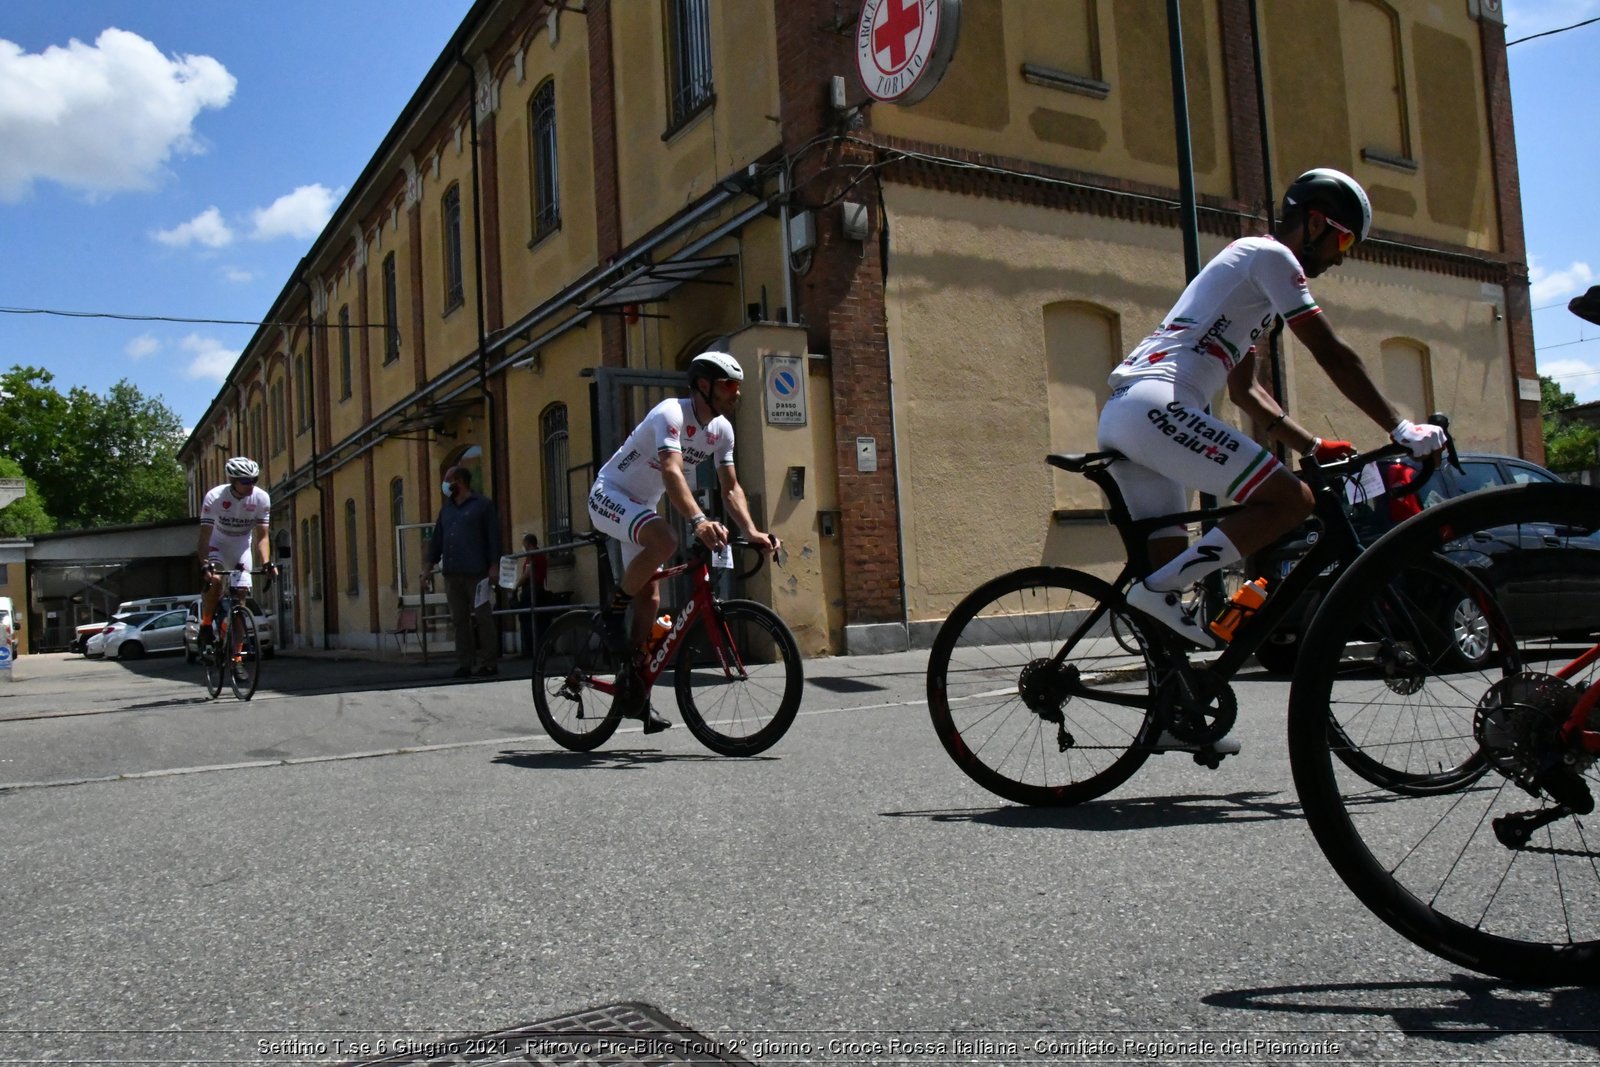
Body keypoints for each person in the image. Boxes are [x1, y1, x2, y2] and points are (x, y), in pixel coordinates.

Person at [1098, 167, 1446, 662]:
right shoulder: (1269, 255)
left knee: (1168, 593)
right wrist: (1400, 427)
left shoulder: (1250, 296)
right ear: (1316, 222)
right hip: (1157, 405)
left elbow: (1246, 392)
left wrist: (1310, 445)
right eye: (1344, 243)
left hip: (1130, 414)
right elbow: (1331, 352)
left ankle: (1179, 714)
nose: (1339, 260)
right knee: (1290, 501)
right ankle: (1155, 590)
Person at [587, 348, 781, 733]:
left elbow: (731, 488)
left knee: (652, 598)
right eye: (729, 385)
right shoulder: (670, 414)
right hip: (609, 494)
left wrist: (751, 531)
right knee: (665, 538)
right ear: (704, 385)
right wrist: (697, 520)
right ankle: (610, 613)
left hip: (640, 504)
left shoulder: (721, 430)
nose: (736, 394)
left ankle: (633, 688)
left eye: (738, 386)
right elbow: (673, 472)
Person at [424, 465, 503, 679]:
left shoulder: (482, 505)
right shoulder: (447, 509)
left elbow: (493, 537)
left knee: (483, 617)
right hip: (452, 573)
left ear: (458, 481)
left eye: (448, 480)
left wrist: (494, 565)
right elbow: (437, 539)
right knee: (459, 620)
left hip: (477, 573)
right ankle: (465, 663)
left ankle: (489, 662)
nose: (445, 485)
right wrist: (428, 567)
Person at [196, 457, 277, 662]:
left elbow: (263, 537)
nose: (251, 485)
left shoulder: (261, 498)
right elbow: (204, 536)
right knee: (215, 581)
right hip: (218, 543)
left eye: (254, 480)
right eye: (245, 481)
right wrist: (205, 564)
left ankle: (236, 657)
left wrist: (267, 562)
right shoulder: (214, 496)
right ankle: (206, 624)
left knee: (240, 601)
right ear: (233, 481)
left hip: (241, 545)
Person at [515, 531, 549, 655]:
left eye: (524, 545)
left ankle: (530, 649)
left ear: (529, 545)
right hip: (536, 589)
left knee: (527, 619)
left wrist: (515, 587)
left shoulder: (534, 556)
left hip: (533, 590)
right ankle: (533, 648)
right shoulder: (538, 555)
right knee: (534, 619)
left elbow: (527, 574)